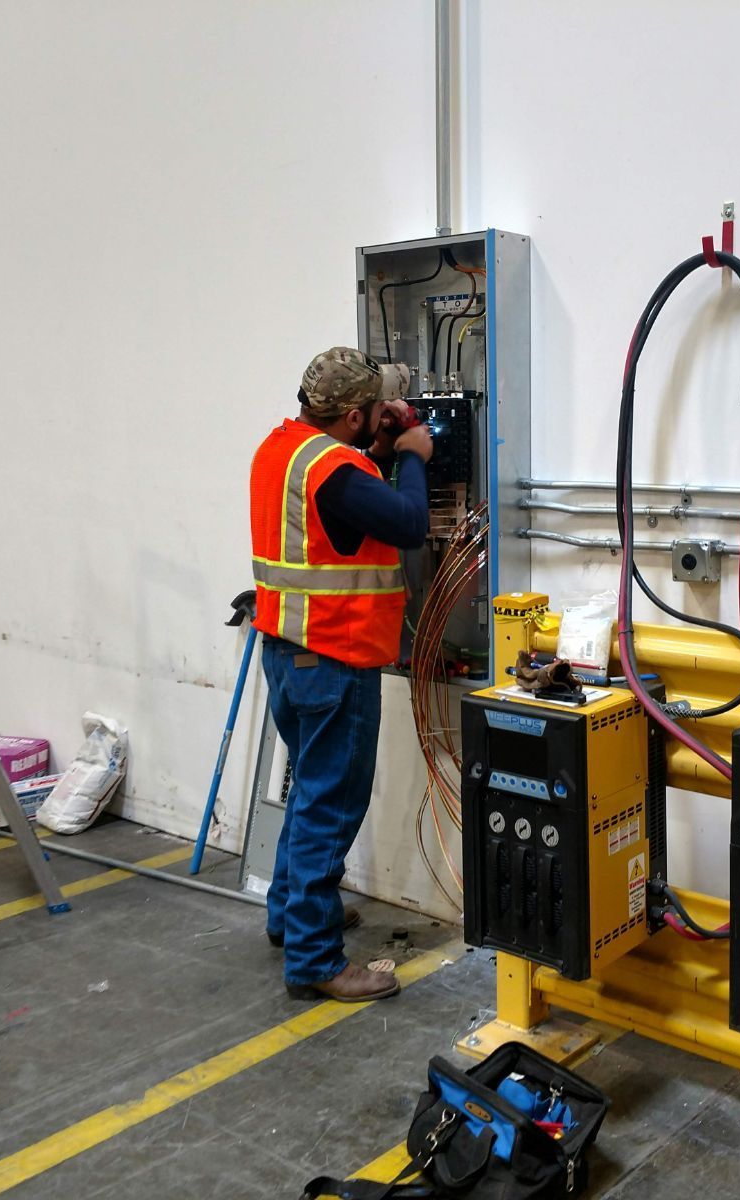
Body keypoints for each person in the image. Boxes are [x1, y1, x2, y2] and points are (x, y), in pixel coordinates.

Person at [248, 347, 433, 1002]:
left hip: (289, 653)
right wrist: (412, 453)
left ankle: (292, 918)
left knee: (309, 794)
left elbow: (341, 520)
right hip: (336, 658)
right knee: (331, 806)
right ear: (355, 414)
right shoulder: (337, 469)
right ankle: (317, 961)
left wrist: (377, 452)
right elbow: (407, 523)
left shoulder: (285, 449)